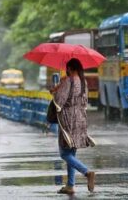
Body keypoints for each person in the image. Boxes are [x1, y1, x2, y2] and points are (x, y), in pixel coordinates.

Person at [50, 58, 95, 195]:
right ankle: (70, 185)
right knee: (71, 153)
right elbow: (84, 101)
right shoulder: (83, 81)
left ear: (69, 68)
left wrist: (56, 90)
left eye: (66, 69)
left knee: (64, 153)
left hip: (68, 120)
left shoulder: (68, 81)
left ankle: (87, 172)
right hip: (80, 119)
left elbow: (59, 101)